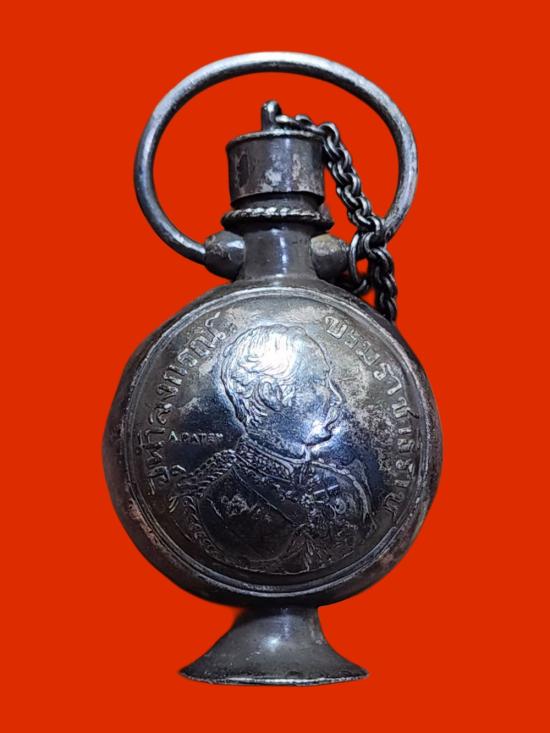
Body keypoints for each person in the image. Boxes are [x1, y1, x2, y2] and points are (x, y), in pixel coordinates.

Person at [169, 324, 374, 574]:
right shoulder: (217, 504)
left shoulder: (346, 487)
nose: (336, 397)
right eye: (317, 381)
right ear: (270, 393)